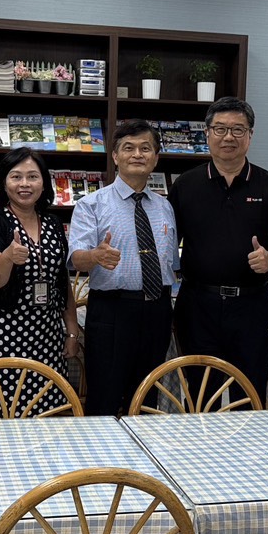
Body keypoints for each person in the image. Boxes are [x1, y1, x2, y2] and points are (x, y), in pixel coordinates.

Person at [168, 96, 268, 399]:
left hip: (251, 305)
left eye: (238, 129)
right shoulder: (186, 185)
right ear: (207, 133)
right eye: (220, 129)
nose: (229, 137)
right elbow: (168, 241)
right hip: (198, 304)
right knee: (201, 394)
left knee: (249, 393)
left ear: (250, 135)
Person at [68, 120, 177, 416]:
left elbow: (171, 264)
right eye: (128, 148)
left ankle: (141, 447)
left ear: (156, 157)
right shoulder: (92, 204)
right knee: (104, 398)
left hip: (157, 310)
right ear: (115, 156)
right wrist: (95, 256)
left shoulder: (165, 207)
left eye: (145, 148)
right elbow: (76, 258)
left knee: (147, 399)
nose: (137, 154)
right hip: (112, 311)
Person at [0, 147, 79, 413]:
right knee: (1, 412)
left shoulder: (53, 223)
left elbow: (61, 282)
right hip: (3, 336)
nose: (25, 184)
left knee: (46, 412)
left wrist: (72, 331)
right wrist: (8, 257)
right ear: (4, 183)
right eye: (16, 177)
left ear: (43, 183)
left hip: (48, 337)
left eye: (32, 176)